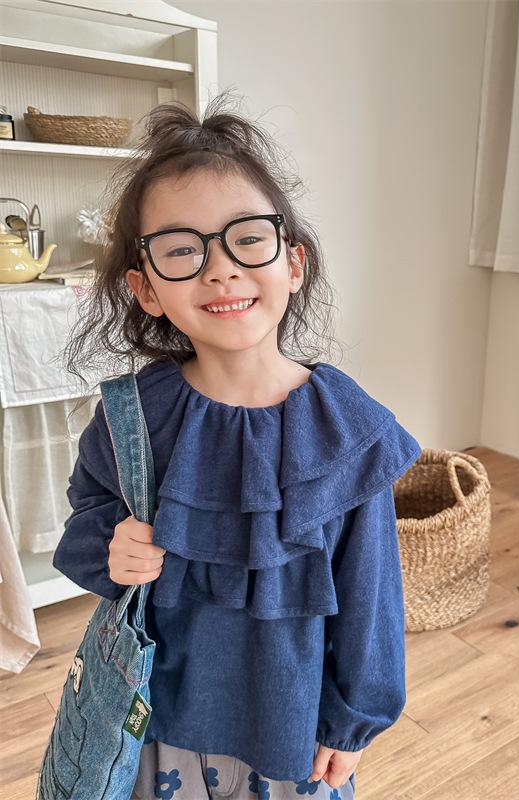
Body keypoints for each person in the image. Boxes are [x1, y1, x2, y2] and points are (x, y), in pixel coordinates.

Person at [52, 92, 421, 800]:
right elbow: (85, 522)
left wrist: (352, 725)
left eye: (247, 238)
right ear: (146, 289)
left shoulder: (348, 429)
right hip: (152, 726)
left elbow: (372, 597)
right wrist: (111, 548)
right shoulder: (131, 415)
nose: (220, 269)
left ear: (294, 263)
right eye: (182, 250)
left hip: (293, 736)